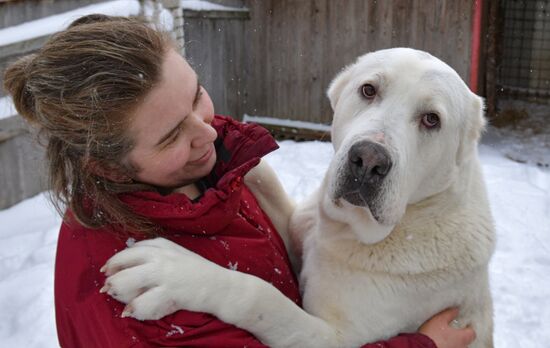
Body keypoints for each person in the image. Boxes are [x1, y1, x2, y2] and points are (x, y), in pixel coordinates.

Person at [3, 14, 475, 348]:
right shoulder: (138, 300)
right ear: (105, 166)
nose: (209, 131)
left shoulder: (209, 164)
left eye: (196, 95)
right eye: (172, 135)